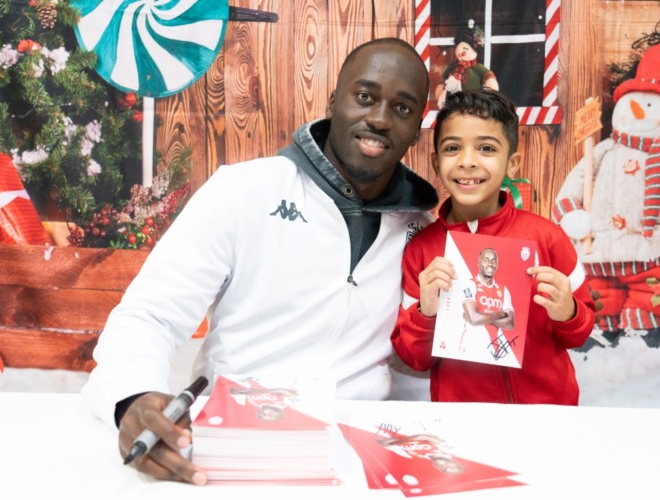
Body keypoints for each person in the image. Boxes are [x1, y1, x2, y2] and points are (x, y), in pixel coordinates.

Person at [81, 37, 438, 485]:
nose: (380, 119)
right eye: (364, 97)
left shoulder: (426, 233)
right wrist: (130, 398)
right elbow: (150, 314)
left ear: (417, 126)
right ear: (333, 100)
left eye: (403, 109)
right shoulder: (242, 191)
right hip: (229, 452)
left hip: (355, 461)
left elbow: (418, 365)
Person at [391, 88, 596, 404]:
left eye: (486, 148)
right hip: (461, 423)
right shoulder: (423, 250)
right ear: (435, 161)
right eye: (452, 148)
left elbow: (580, 333)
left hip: (547, 415)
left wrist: (566, 310)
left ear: (512, 164)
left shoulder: (547, 237)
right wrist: (425, 312)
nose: (468, 162)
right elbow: (414, 358)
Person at [461, 247, 515, 356]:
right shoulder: (470, 284)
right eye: (486, 260)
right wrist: (500, 313)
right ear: (478, 264)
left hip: (494, 350)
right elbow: (474, 319)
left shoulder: (503, 290)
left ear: (497, 265)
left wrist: (482, 317)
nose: (490, 264)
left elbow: (510, 323)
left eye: (493, 261)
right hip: (470, 349)